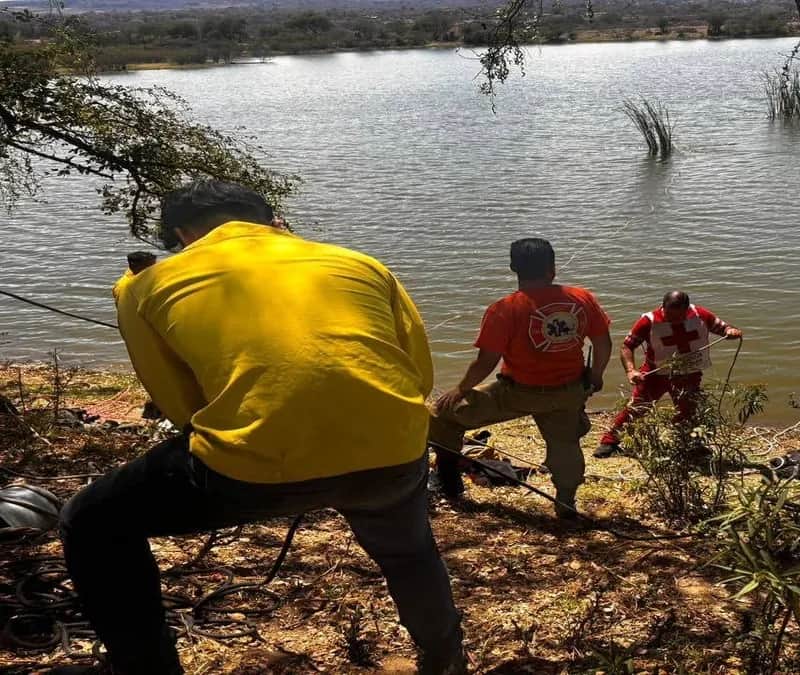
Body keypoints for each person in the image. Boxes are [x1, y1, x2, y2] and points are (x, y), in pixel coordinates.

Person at [56, 180, 463, 675]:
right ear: (271, 219)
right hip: (393, 454)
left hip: (249, 470)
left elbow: (177, 403)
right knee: (408, 552)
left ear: (181, 232)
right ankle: (445, 656)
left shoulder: (142, 287)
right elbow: (417, 373)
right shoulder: (361, 263)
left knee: (91, 521)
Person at [427, 238, 612, 518]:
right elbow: (603, 343)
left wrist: (460, 389)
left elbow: (485, 362)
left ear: (513, 267)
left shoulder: (504, 308)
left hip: (517, 393)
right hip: (567, 392)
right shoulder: (582, 298)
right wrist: (596, 375)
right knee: (565, 446)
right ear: (552, 268)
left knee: (442, 415)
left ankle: (450, 485)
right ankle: (566, 503)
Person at [593, 291, 742, 458]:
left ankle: (689, 444)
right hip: (655, 373)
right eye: (671, 316)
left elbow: (722, 328)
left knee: (689, 410)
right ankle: (609, 441)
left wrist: (731, 331)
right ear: (663, 307)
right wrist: (631, 370)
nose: (675, 320)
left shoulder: (701, 315)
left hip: (688, 373)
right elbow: (627, 346)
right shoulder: (648, 321)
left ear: (687, 309)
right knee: (637, 407)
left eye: (680, 316)